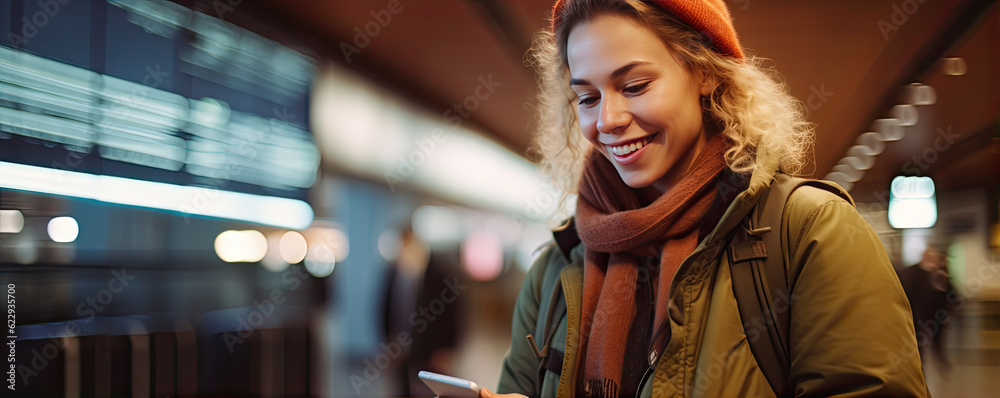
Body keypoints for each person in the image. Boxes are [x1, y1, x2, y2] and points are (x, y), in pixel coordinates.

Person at [481, 1, 929, 397]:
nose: (607, 120)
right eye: (587, 97)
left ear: (706, 71)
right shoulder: (558, 267)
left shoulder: (810, 233)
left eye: (634, 86)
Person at [897, 248, 956, 369]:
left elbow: (950, 295)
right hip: (917, 317)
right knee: (918, 347)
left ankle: (936, 361)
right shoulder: (912, 274)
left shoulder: (939, 274)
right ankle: (920, 368)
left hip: (934, 316)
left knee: (934, 342)